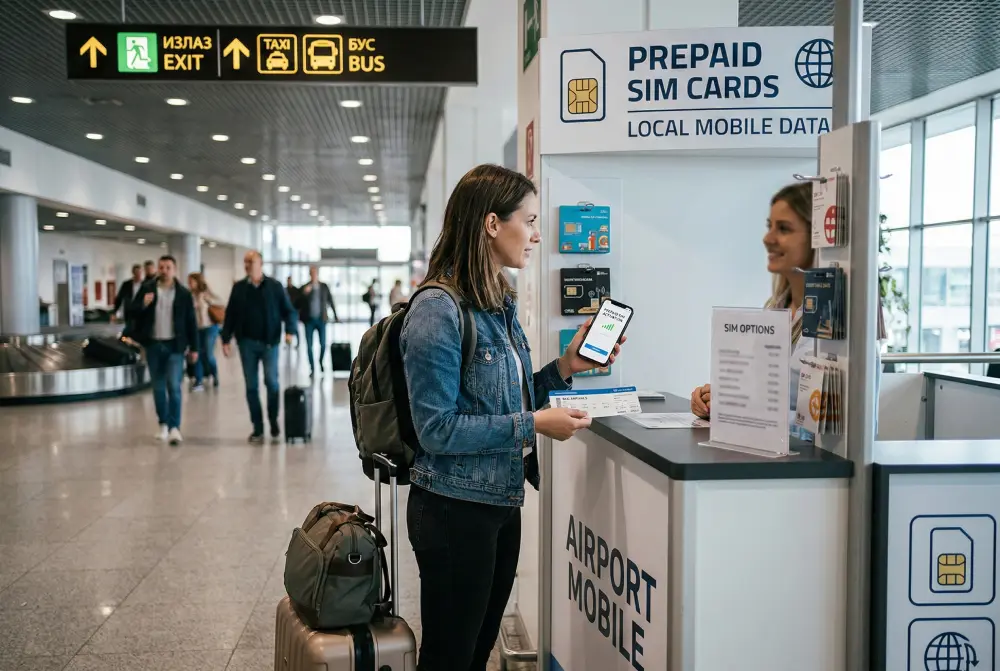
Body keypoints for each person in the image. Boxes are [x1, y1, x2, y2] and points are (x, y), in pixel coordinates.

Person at [400, 164, 624, 670]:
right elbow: (435, 429)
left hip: (499, 502)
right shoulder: (438, 309)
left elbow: (506, 398)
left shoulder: (496, 302)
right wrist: (535, 425)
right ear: (492, 224)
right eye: (530, 219)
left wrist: (568, 366)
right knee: (449, 657)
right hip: (453, 510)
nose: (538, 233)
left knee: (475, 652)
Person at [690, 182, 815, 439]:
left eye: (784, 229)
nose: (768, 238)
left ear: (817, 238)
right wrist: (722, 399)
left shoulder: (840, 320)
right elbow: (762, 391)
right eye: (770, 226)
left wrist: (741, 409)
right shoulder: (776, 309)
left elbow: (824, 422)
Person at [221, 251, 298, 444]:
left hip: (270, 342)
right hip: (247, 343)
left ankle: (272, 420)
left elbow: (289, 311)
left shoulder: (274, 286)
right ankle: (257, 426)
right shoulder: (239, 288)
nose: (247, 265)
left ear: (260, 263)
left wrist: (290, 330)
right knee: (251, 387)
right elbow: (230, 315)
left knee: (272, 383)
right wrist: (225, 339)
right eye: (245, 261)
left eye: (251, 261)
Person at [128, 255, 199, 446]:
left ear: (174, 270)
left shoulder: (183, 294)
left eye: (168, 267)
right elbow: (132, 310)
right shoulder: (147, 289)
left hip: (174, 346)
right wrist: (143, 304)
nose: (164, 270)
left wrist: (194, 347)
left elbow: (191, 322)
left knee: (174, 387)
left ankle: (175, 426)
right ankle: (163, 423)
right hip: (153, 345)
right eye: (161, 267)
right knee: (158, 387)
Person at [296, 265, 340, 377]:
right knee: (309, 345)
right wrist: (304, 294)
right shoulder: (304, 287)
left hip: (321, 320)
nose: (314, 275)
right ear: (309, 274)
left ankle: (320, 362)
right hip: (309, 320)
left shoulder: (324, 286)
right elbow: (297, 303)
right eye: (312, 273)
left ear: (318, 274)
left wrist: (335, 315)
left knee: (323, 344)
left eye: (315, 273)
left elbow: (330, 300)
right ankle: (312, 367)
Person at [187, 272, 224, 391]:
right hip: (196, 329)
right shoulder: (188, 296)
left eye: (192, 281)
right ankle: (198, 381)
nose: (190, 284)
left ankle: (215, 373)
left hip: (210, 328)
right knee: (196, 354)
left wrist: (209, 301)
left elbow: (220, 302)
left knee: (208, 355)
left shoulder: (206, 293)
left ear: (197, 282)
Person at [112, 263, 144, 331]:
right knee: (129, 329)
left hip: (141, 312)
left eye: (139, 272)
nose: (138, 274)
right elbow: (119, 298)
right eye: (136, 272)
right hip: (129, 312)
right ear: (133, 273)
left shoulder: (145, 285)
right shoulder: (126, 284)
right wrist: (114, 312)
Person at [285, 277, 301, 349]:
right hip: (287, 311)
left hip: (294, 311)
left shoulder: (295, 290)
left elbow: (299, 300)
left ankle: (297, 343)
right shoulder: (285, 290)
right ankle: (288, 342)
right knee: (288, 328)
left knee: (295, 327)